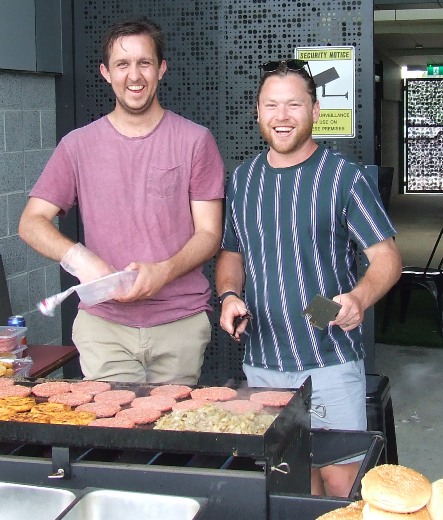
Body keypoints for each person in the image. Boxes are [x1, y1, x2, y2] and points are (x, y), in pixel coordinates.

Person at [215, 59, 402, 498]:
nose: (282, 116)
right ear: (258, 112)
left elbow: (387, 257)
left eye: (294, 104)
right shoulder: (243, 181)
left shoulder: (343, 177)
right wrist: (228, 295)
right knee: (291, 488)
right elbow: (231, 252)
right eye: (272, 105)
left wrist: (359, 297)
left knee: (342, 489)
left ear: (315, 111)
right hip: (262, 365)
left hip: (329, 359)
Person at [19, 17, 225, 384]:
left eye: (144, 62)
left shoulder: (195, 141)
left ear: (161, 69)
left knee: (173, 432)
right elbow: (31, 222)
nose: (134, 76)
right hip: (104, 326)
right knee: (114, 434)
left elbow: (209, 234)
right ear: (105, 72)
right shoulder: (78, 146)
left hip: (179, 321)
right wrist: (80, 258)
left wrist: (163, 271)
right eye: (122, 64)